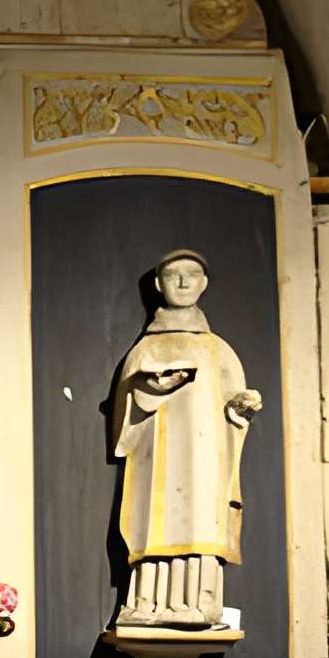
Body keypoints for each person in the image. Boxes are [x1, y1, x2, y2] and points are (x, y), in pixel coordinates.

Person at [110, 250, 262, 630]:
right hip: (158, 455)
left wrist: (241, 408)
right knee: (155, 518)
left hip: (204, 456)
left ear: (203, 283)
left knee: (199, 520)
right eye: (173, 275)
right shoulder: (146, 348)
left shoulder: (217, 349)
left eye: (191, 274)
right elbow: (127, 411)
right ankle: (149, 602)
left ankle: (200, 602)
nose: (182, 282)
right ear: (159, 285)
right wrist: (150, 387)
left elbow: (233, 406)